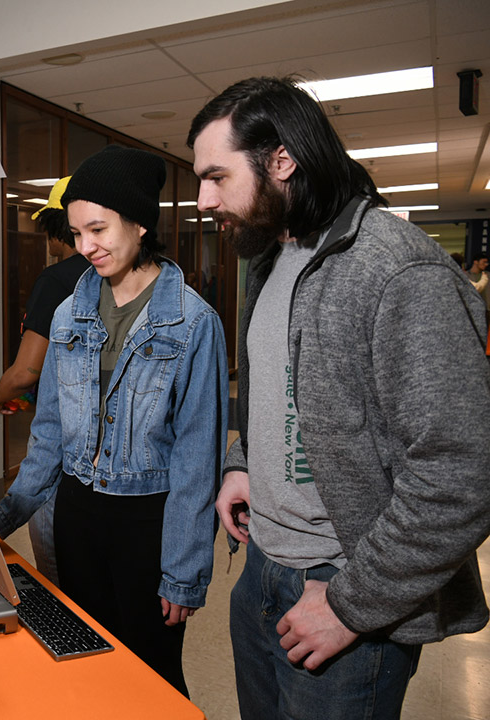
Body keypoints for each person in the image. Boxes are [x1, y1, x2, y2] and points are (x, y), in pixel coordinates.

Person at [187, 76, 490, 719]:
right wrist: (244, 465)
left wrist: (351, 604)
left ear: (282, 160)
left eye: (216, 176)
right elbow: (282, 393)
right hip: (261, 570)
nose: (203, 197)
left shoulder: (397, 269)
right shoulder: (271, 257)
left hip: (343, 587)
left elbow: (462, 472)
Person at [0, 146, 229, 696]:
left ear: (141, 222)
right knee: (90, 668)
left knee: (153, 680)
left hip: (146, 524)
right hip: (77, 516)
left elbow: (197, 458)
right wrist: (1, 518)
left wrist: (184, 570)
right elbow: (48, 433)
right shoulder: (68, 311)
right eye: (75, 234)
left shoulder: (194, 323)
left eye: (97, 229)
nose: (85, 247)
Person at [0, 176, 89, 587]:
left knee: (60, 581)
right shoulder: (120, 278)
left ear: (55, 226)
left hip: (61, 454)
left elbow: (26, 371)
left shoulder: (56, 280)